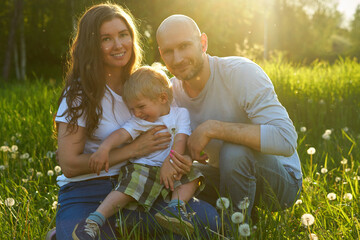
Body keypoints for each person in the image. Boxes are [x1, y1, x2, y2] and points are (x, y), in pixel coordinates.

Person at [55, 4, 218, 240]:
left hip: (145, 187)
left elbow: (175, 128)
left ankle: (124, 228)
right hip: (87, 191)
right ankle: (74, 229)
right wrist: (134, 149)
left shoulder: (143, 86)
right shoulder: (81, 94)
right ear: (92, 46)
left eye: (123, 35)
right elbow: (69, 164)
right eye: (106, 39)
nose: (119, 44)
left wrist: (183, 158)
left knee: (208, 222)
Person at [156, 15, 303, 220]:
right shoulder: (169, 94)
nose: (178, 58)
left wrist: (213, 128)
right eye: (169, 52)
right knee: (163, 177)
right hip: (223, 175)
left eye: (184, 46)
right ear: (161, 55)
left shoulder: (240, 73)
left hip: (280, 182)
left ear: (203, 43)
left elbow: (286, 139)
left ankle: (236, 229)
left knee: (235, 151)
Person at [72, 66, 204, 239]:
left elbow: (181, 139)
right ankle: (94, 221)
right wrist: (104, 148)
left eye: (140, 107)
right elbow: (120, 134)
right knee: (129, 187)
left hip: (171, 164)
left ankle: (175, 208)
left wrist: (170, 163)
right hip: (144, 167)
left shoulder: (180, 114)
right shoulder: (140, 121)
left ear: (163, 98)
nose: (136, 113)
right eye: (132, 109)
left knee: (193, 176)